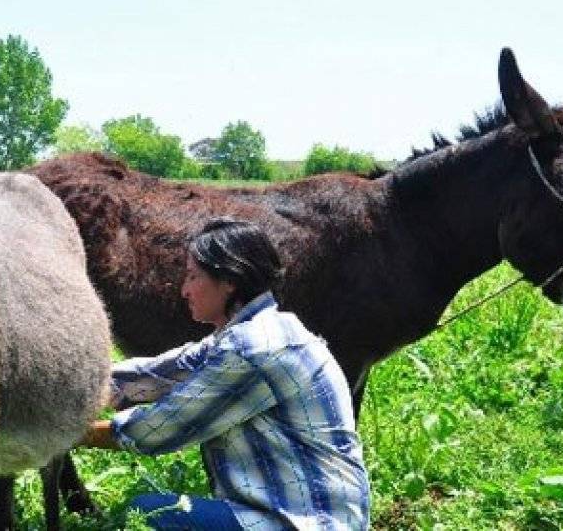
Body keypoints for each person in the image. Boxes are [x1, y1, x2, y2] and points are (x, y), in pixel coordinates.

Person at [79, 218, 370, 530]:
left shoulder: (255, 348)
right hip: (298, 513)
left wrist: (72, 432)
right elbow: (159, 373)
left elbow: (162, 428)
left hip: (310, 522)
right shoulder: (251, 334)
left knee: (147, 514)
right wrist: (75, 384)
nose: (184, 290)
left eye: (192, 276)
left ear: (229, 279)